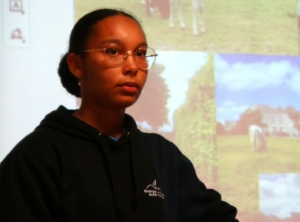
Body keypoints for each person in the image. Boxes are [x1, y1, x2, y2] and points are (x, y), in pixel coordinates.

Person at [0, 8, 239, 222]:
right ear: (77, 65)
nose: (132, 66)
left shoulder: (162, 155)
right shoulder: (36, 158)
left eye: (141, 53)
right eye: (113, 51)